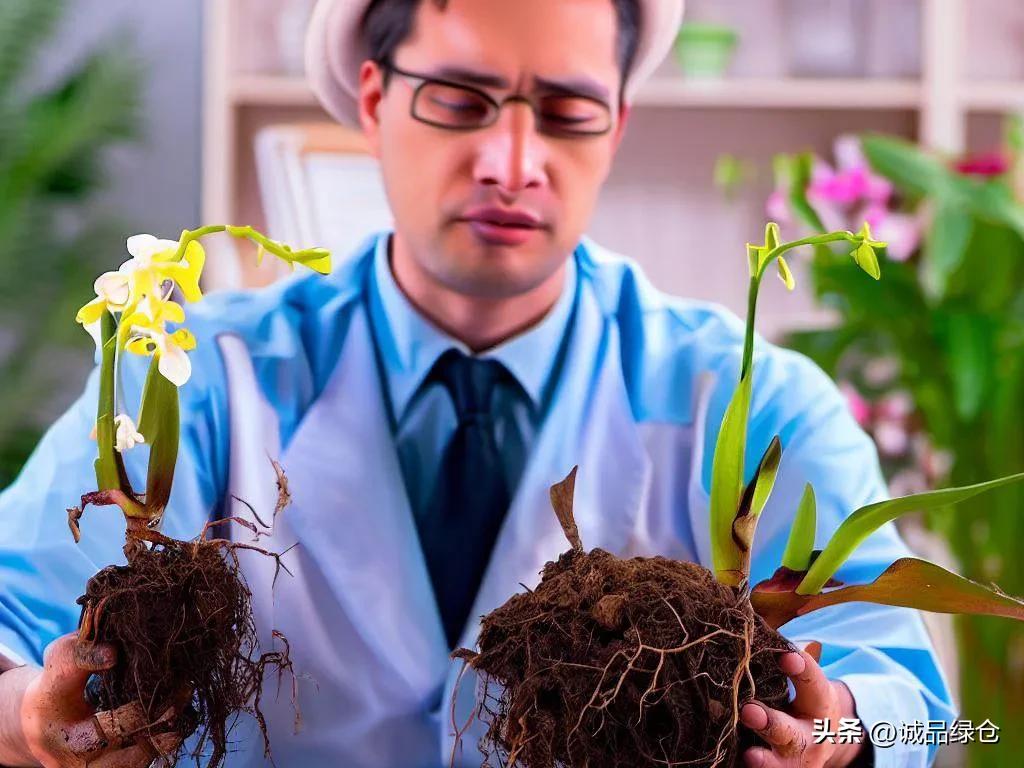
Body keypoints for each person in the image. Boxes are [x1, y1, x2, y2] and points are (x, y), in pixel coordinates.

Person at [0, 1, 956, 766]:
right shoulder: (202, 381)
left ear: (617, 125)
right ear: (374, 99)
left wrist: (845, 733)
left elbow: (944, 727)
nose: (512, 163)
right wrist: (32, 722)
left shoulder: (759, 406)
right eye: (459, 99)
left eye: (569, 111)